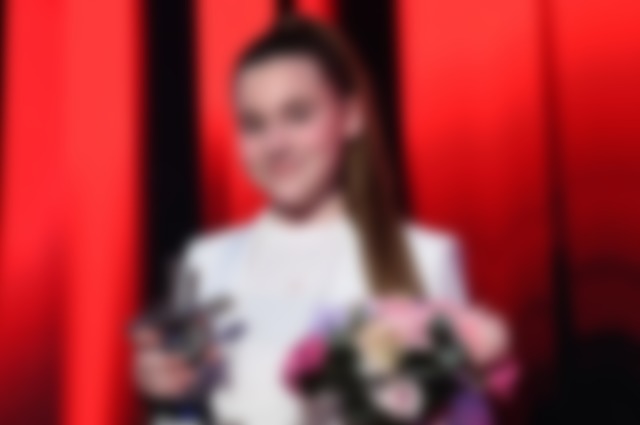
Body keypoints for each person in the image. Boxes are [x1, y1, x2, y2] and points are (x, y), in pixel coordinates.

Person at [134, 16, 468, 425]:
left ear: (351, 116)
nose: (275, 143)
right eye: (254, 124)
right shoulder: (206, 262)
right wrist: (169, 401)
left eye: (297, 114)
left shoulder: (425, 258)